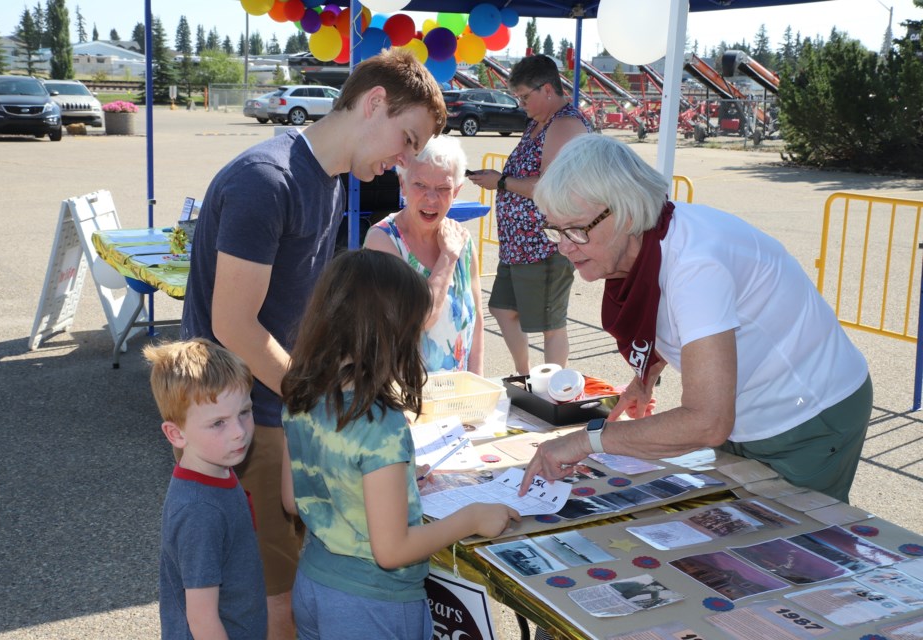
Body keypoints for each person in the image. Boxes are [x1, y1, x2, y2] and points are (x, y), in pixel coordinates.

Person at [180, 49, 447, 639]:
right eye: (406, 139)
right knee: (271, 602)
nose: (404, 160)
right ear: (373, 102)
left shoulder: (325, 179)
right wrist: (330, 406)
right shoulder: (265, 180)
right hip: (247, 418)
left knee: (295, 589)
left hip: (283, 410)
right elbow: (234, 325)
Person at [519, 133, 872, 503]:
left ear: (624, 213)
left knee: (793, 545)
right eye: (555, 230)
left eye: (576, 230)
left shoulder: (696, 264)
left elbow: (707, 421)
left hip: (808, 417)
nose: (563, 246)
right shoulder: (653, 238)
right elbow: (675, 320)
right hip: (751, 414)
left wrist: (586, 440)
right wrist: (646, 377)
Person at [279, 250, 520, 640]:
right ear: (388, 334)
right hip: (373, 606)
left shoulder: (301, 395)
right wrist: (472, 517)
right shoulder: (380, 423)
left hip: (313, 586)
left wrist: (389, 485)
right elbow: (391, 551)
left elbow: (294, 500)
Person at [467, 54, 592, 375]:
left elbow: (549, 187)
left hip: (546, 243)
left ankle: (553, 389)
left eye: (524, 97)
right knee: (502, 308)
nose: (520, 104)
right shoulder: (539, 123)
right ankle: (525, 376)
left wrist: (502, 182)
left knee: (551, 324)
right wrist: (500, 181)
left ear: (547, 89)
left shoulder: (565, 124)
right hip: (520, 245)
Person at [144, 338, 268, 639]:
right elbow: (201, 618)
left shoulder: (217, 468)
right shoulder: (200, 511)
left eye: (245, 412)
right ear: (176, 433)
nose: (239, 433)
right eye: (218, 424)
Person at [364, 135, 483, 375]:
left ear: (457, 191)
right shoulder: (383, 240)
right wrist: (447, 257)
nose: (431, 199)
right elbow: (418, 318)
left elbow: (477, 321)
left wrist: (477, 384)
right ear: (403, 185)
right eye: (420, 185)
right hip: (401, 400)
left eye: (443, 189)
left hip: (457, 400)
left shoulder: (462, 240)